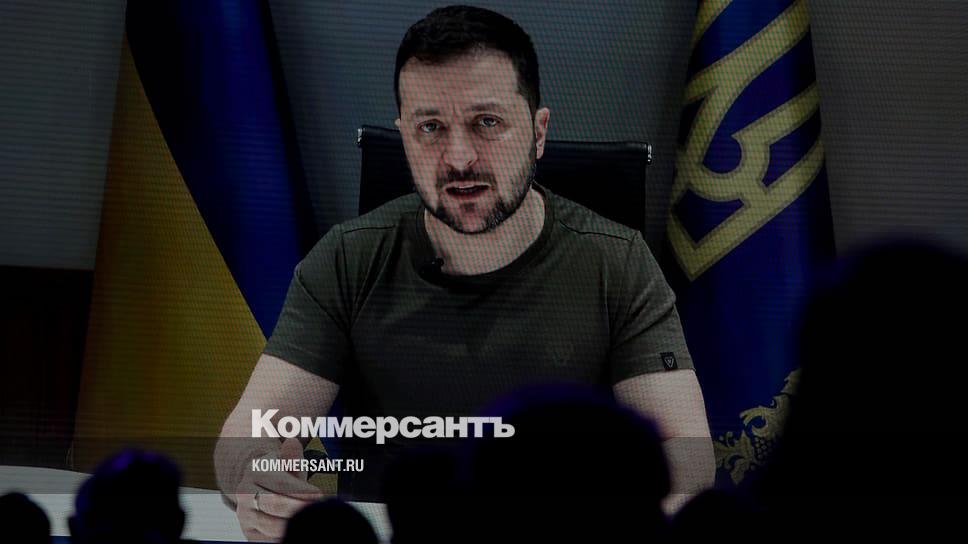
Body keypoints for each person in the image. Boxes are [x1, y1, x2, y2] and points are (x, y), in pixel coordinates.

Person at [215, 5, 713, 540]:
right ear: (404, 136)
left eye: (487, 123)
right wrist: (258, 478)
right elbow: (248, 432)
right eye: (430, 127)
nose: (458, 158)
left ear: (538, 132)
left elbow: (686, 453)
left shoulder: (618, 264)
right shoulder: (346, 259)